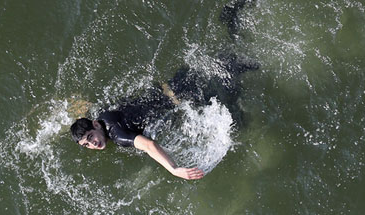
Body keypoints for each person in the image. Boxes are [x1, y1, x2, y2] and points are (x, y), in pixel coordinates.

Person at [69, 0, 257, 180]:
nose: (93, 143)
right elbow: (85, 107)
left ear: (96, 125)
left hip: (183, 96)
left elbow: (149, 145)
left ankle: (234, 26)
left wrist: (174, 169)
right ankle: (231, 19)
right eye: (87, 144)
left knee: (233, 88)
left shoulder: (117, 135)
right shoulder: (102, 115)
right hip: (169, 86)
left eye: (90, 137)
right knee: (221, 63)